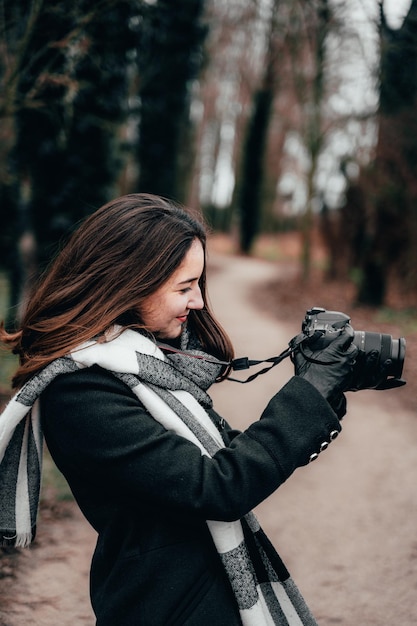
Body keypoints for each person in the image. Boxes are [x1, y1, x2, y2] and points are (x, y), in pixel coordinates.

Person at [0, 193, 358, 626]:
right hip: (165, 607)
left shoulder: (147, 369)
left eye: (198, 285)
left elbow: (231, 455)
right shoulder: (80, 389)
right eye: (184, 288)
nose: (199, 302)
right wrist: (308, 391)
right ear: (126, 284)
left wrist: (319, 391)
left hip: (197, 594)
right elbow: (219, 486)